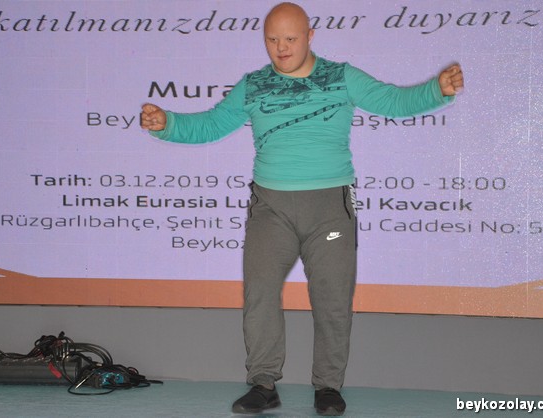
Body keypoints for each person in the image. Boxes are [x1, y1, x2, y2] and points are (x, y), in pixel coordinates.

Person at [141, 2, 463, 415]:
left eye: (290, 38)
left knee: (332, 300)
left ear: (310, 37)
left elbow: (392, 101)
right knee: (259, 295)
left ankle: (328, 387)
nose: (281, 48)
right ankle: (263, 384)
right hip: (270, 207)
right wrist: (168, 124)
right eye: (272, 40)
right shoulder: (254, 84)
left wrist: (437, 90)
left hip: (329, 206)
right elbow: (212, 124)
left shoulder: (341, 76)